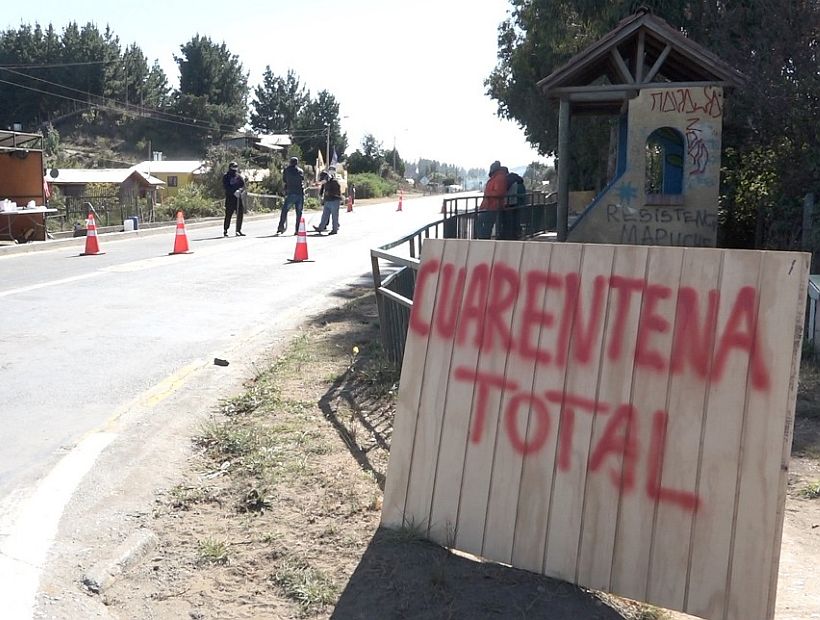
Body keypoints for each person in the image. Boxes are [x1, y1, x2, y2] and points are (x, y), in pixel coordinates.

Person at [476, 160, 508, 239]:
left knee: (483, 222)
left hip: (493, 206)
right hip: (490, 206)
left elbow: (499, 192)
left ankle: (484, 239)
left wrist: (488, 194)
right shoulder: (496, 177)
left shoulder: (499, 178)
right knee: (485, 223)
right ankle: (484, 238)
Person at [278, 156, 305, 234]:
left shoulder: (286, 170)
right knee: (299, 213)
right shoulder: (300, 171)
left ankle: (281, 227)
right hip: (300, 193)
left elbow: (284, 180)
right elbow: (302, 180)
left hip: (291, 193)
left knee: (284, 211)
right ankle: (297, 230)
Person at [499, 170, 526, 240]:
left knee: (508, 220)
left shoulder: (508, 181)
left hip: (509, 203)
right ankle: (517, 234)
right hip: (519, 203)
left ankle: (508, 235)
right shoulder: (519, 182)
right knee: (517, 219)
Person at [222, 161, 245, 237]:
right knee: (228, 214)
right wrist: (233, 192)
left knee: (240, 214)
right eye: (233, 167)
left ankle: (238, 230)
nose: (234, 169)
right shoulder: (226, 176)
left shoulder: (239, 177)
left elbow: (243, 185)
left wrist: (240, 191)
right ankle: (225, 230)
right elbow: (226, 186)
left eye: (236, 167)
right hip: (230, 198)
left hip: (238, 198)